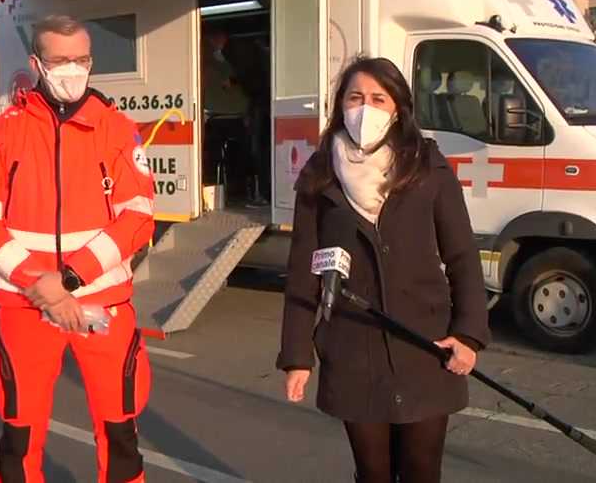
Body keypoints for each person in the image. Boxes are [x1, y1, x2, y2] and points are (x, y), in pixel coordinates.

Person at [277, 56, 492, 483]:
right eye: (356, 97)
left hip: (426, 349)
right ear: (340, 105)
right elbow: (304, 271)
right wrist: (298, 357)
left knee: (421, 471)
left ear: (398, 107)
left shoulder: (426, 167)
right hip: (353, 350)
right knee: (373, 473)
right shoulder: (319, 177)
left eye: (379, 98)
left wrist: (468, 335)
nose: (366, 108)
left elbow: (463, 256)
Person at [0, 14, 155, 483]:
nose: (73, 69)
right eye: (60, 60)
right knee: (18, 440)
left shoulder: (116, 128)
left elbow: (138, 218)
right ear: (36, 63)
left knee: (120, 437)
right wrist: (40, 285)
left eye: (82, 59)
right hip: (26, 307)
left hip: (102, 305)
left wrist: (69, 280)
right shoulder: (3, 131)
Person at [205, 25, 271, 207]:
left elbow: (250, 72)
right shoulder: (242, 47)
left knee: (259, 149)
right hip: (261, 101)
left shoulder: (234, 49)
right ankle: (265, 194)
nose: (213, 47)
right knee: (261, 149)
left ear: (219, 37)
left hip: (263, 101)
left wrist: (232, 80)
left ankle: (266, 195)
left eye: (212, 42)